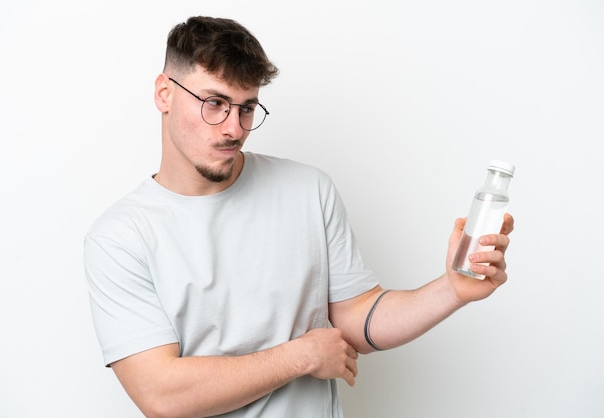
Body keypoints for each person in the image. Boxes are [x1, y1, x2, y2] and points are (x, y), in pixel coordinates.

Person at [83, 16, 514, 418]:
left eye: (247, 107)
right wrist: (302, 356)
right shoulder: (121, 236)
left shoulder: (308, 190)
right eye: (214, 103)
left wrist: (452, 290)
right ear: (164, 93)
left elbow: (359, 318)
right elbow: (160, 394)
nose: (234, 127)